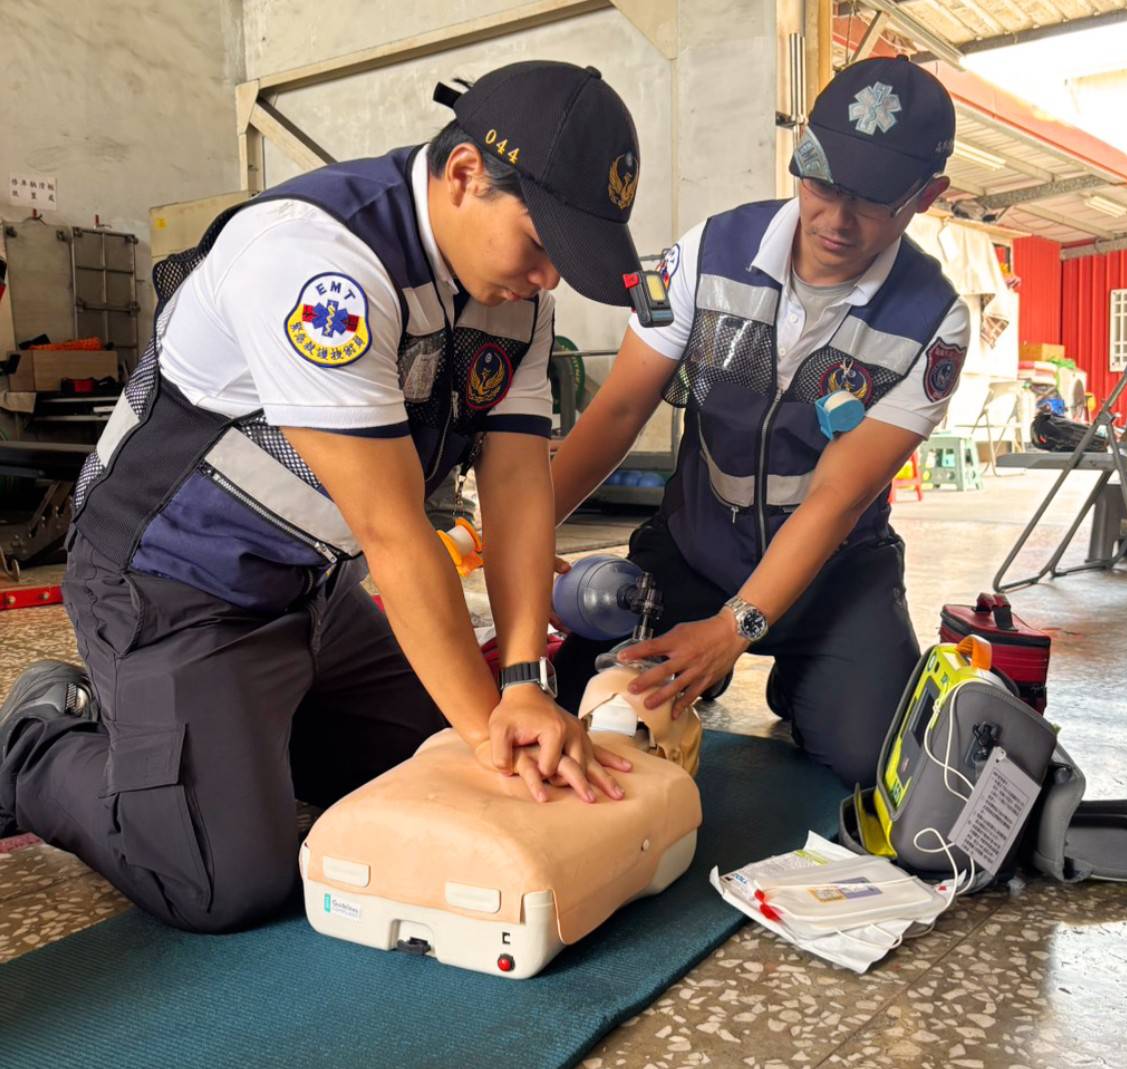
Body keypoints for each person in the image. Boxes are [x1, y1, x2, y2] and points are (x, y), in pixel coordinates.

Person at [0, 61, 644, 933]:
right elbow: (392, 529)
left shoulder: (508, 294)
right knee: (223, 881)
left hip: (312, 587)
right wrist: (487, 729)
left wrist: (525, 680)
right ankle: (36, 743)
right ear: (463, 177)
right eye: (543, 245)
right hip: (172, 581)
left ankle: (230, 741)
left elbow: (519, 483)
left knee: (419, 768)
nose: (549, 280)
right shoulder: (319, 261)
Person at [551, 57, 969, 788]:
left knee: (868, 758)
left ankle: (804, 671)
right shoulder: (700, 257)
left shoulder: (934, 323)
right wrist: (522, 535)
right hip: (693, 554)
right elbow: (618, 408)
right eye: (822, 181)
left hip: (835, 574)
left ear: (928, 196)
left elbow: (839, 495)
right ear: (800, 151)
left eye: (872, 201)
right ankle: (721, 662)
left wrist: (736, 628)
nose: (836, 218)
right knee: (585, 698)